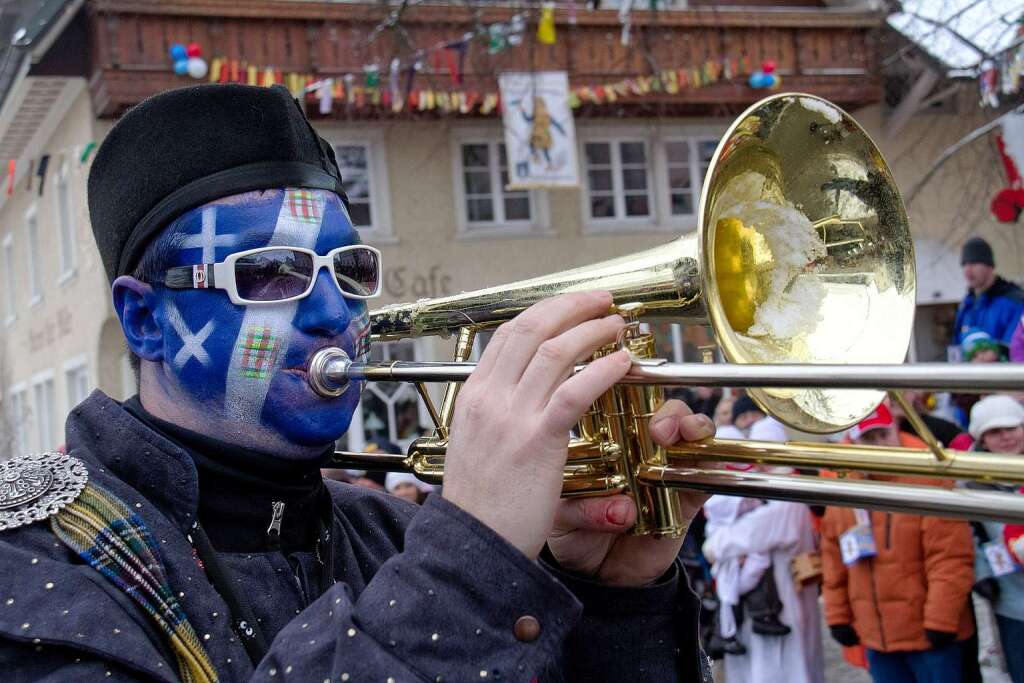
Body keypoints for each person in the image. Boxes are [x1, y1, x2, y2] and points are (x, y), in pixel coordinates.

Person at [0, 84, 717, 681]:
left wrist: (615, 595)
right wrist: (469, 562)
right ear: (145, 318)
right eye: (269, 273)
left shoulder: (393, 533)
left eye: (349, 270)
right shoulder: (36, 562)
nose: (331, 311)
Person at [821, 404, 976, 683]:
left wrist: (940, 621)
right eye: (869, 439)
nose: (879, 446)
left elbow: (949, 560)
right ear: (855, 443)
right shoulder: (845, 487)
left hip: (931, 639)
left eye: (883, 434)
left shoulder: (929, 481)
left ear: (895, 430)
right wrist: (837, 615)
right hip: (878, 639)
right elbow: (833, 558)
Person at [703, 498, 823, 683]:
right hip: (749, 613)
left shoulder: (786, 500)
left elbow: (733, 540)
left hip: (782, 607)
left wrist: (715, 545)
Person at [965, 395, 1024, 683]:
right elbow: (969, 535)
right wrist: (983, 575)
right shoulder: (970, 481)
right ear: (982, 439)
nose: (1006, 437)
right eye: (995, 432)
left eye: (1012, 428)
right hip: (1012, 601)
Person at [953, 237, 1024, 348]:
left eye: (974, 263)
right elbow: (957, 346)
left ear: (989, 266)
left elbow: (1015, 351)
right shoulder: (967, 306)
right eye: (964, 264)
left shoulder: (1015, 303)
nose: (968, 270)